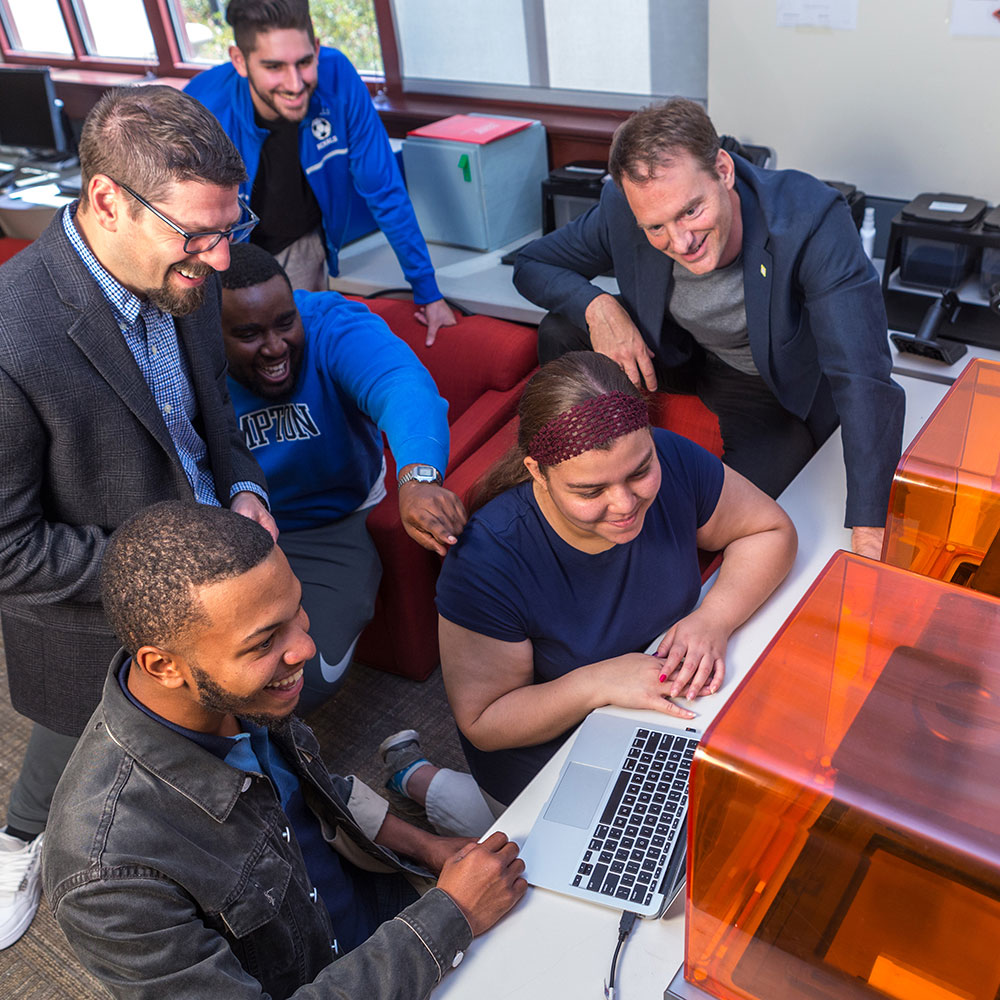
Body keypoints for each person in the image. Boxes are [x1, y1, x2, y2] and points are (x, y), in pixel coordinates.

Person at [43, 501, 526, 999]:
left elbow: (314, 795)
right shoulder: (106, 877)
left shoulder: (235, 693)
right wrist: (451, 915)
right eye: (264, 642)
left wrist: (426, 847)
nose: (305, 649)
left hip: (398, 920)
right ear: (164, 666)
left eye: (296, 609)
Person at [0, 84, 275, 949]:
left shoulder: (183, 276)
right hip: (95, 611)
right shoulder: (11, 338)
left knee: (216, 740)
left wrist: (244, 492)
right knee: (69, 750)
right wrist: (169, 570)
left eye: (231, 228)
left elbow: (210, 419)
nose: (222, 258)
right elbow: (9, 551)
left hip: (210, 558)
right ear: (108, 201)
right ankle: (15, 843)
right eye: (197, 233)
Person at [513, 98, 904, 559]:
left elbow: (862, 374)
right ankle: (573, 468)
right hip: (674, 349)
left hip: (762, 382)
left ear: (723, 170)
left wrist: (869, 526)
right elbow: (531, 263)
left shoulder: (808, 220)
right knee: (562, 327)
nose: (680, 242)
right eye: (655, 227)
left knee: (735, 513)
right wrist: (597, 305)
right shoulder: (625, 206)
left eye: (691, 212)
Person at [433, 352, 797, 808]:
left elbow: (769, 530)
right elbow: (485, 720)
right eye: (590, 491)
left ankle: (427, 785)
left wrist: (714, 619)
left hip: (664, 724)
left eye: (640, 472)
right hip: (551, 768)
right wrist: (598, 683)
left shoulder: (672, 457)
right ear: (537, 474)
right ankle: (435, 792)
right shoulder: (486, 559)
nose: (625, 504)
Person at [219, 241, 466, 710]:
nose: (275, 347)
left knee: (303, 677)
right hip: (232, 530)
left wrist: (417, 477)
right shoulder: (184, 355)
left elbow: (400, 385)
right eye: (250, 334)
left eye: (285, 323)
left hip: (333, 522)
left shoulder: (331, 323)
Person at [185, 0, 458, 345]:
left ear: (316, 48)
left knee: (301, 359)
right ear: (240, 60)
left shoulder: (338, 75)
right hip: (218, 255)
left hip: (301, 246)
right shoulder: (203, 106)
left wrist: (428, 291)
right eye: (274, 67)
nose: (295, 84)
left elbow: (383, 188)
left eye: (303, 62)